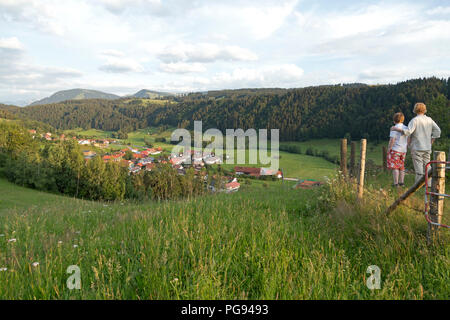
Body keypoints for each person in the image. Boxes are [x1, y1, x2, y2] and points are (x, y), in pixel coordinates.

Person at [390, 102, 441, 184]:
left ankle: (419, 185)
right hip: (427, 147)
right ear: (424, 110)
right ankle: (429, 184)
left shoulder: (414, 120)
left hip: (417, 147)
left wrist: (396, 129)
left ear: (415, 110)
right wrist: (432, 140)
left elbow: (408, 132)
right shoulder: (429, 120)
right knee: (427, 165)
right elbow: (438, 131)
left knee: (419, 169)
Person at [387, 112, 408, 187]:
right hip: (403, 150)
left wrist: (389, 148)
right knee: (401, 166)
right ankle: (401, 182)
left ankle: (396, 183)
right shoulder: (406, 128)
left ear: (394, 120)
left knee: (395, 167)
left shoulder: (394, 128)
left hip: (396, 149)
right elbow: (408, 138)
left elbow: (392, 140)